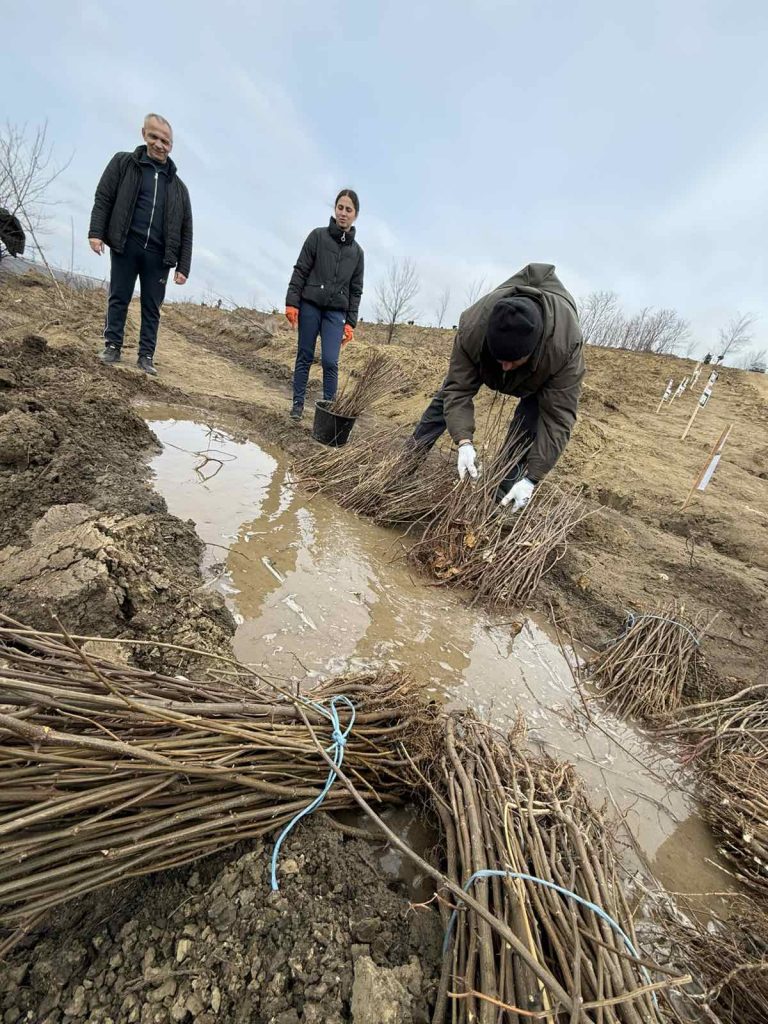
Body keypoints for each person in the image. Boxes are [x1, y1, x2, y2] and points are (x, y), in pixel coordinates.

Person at [410, 263, 585, 511]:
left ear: (532, 349)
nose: (505, 367)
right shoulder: (473, 327)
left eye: (513, 361)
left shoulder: (564, 348)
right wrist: (463, 441)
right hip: (484, 355)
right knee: (444, 401)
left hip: (538, 379)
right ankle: (403, 467)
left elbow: (558, 419)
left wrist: (533, 478)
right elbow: (458, 390)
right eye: (500, 359)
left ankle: (495, 503)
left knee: (526, 430)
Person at [88, 113, 193, 376]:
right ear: (144, 134)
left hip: (159, 256)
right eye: (154, 137)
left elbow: (186, 229)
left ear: (171, 145)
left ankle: (146, 356)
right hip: (126, 245)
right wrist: (96, 232)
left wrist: (183, 266)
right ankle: (112, 346)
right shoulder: (123, 164)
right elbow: (104, 197)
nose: (159, 144)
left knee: (151, 307)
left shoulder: (179, 188)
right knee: (118, 297)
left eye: (165, 141)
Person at [285, 190, 364, 419]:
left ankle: (328, 412)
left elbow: (356, 290)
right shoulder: (317, 237)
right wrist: (292, 302)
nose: (343, 213)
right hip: (310, 305)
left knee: (330, 361)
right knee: (305, 355)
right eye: (340, 207)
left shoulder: (357, 253)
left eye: (348, 210)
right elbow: (301, 270)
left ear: (355, 215)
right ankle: (297, 406)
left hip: (335, 313)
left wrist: (350, 323)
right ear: (335, 209)